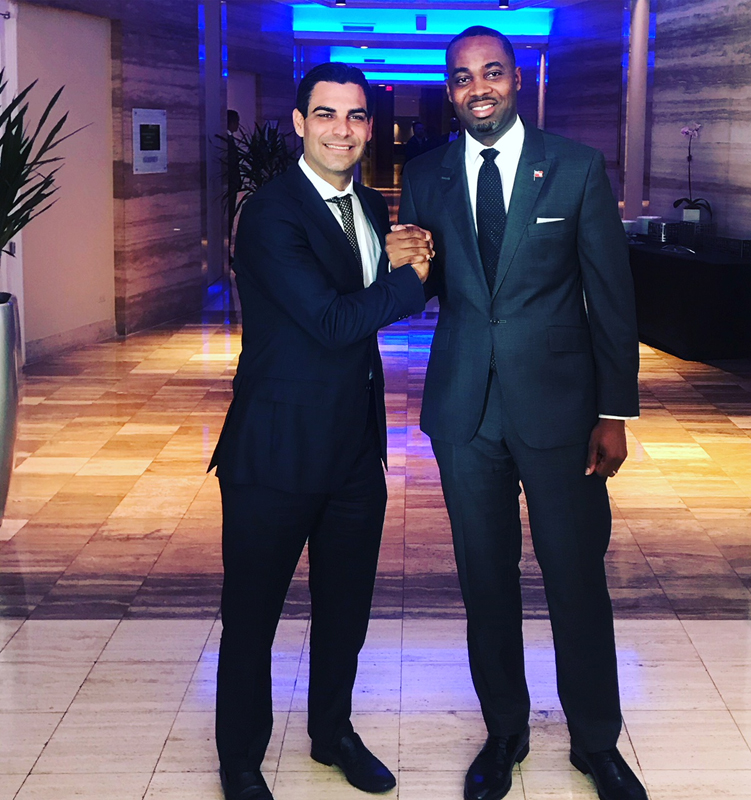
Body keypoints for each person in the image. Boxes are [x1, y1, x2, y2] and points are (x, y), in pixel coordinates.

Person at [386, 26, 645, 800]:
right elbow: (426, 291)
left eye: (492, 72)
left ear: (517, 79)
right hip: (465, 413)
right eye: (463, 77)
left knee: (576, 577)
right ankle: (505, 732)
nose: (479, 88)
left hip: (563, 411)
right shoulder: (424, 174)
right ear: (449, 89)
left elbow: (611, 298)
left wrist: (613, 410)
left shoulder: (574, 167)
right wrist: (405, 268)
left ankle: (596, 742)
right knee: (485, 580)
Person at [209, 62, 429, 800]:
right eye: (327, 114)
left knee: (345, 612)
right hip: (275, 451)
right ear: (300, 123)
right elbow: (334, 322)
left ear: (370, 126)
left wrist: (401, 260)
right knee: (252, 618)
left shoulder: (366, 204)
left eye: (356, 115)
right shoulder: (271, 213)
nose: (343, 129)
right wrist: (410, 279)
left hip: (354, 450)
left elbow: (361, 294)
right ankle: (241, 759)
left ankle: (332, 733)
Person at [226, 109, 242, 259]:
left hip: (232, 186)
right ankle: (225, 252)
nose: (238, 124)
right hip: (228, 187)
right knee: (228, 218)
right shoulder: (226, 141)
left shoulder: (229, 140)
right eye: (236, 121)